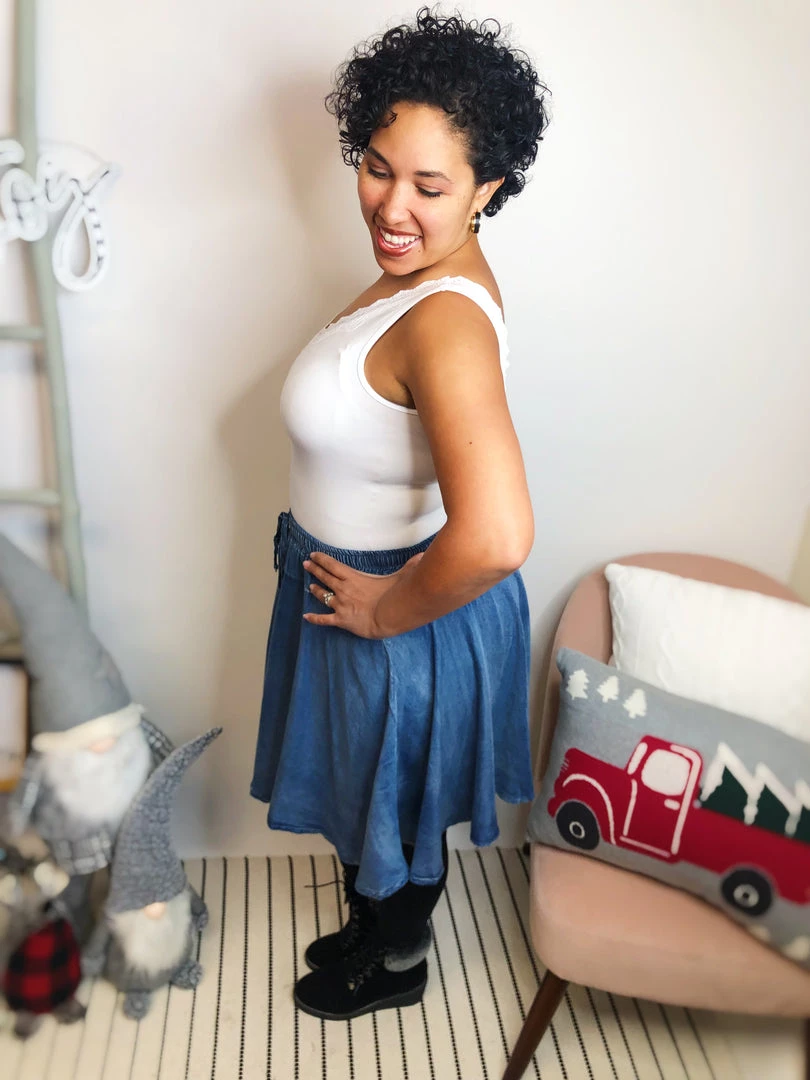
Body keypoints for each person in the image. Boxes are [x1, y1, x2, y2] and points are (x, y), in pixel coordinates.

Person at [250, 8, 549, 1021]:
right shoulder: (421, 275)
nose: (392, 205)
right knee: (367, 796)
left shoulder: (446, 320)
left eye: (430, 185)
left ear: (487, 187)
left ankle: (397, 964)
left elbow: (499, 534)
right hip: (355, 586)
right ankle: (374, 933)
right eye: (378, 168)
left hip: (400, 610)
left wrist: (383, 610)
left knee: (397, 813)